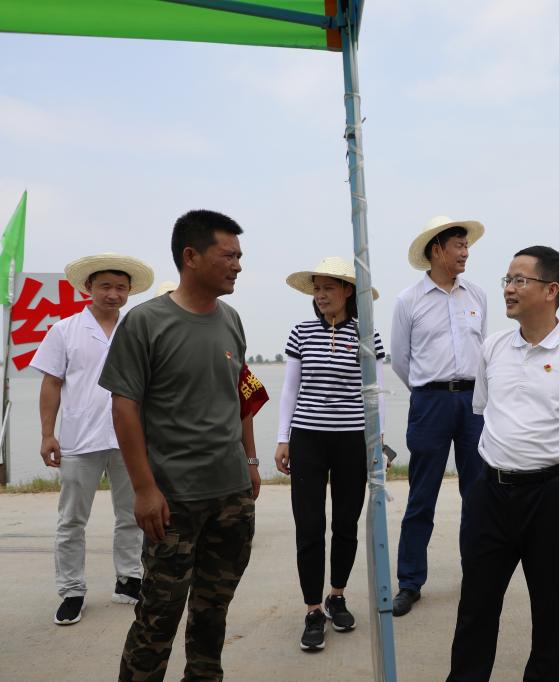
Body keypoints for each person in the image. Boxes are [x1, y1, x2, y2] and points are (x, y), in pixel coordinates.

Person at [100, 210, 262, 681]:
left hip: (231, 495)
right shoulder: (146, 322)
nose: (237, 265)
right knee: (157, 618)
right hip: (173, 500)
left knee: (213, 615)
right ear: (191, 256)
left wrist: (250, 461)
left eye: (240, 256)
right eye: (228, 255)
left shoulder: (231, 320)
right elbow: (124, 409)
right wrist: (144, 489)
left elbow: (240, 395)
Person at [447, 245, 559, 682]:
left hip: (554, 497)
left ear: (551, 290)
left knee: (553, 612)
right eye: (507, 279)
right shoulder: (493, 347)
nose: (509, 288)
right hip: (490, 494)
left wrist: (551, 465)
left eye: (519, 280)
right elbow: (484, 410)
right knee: (476, 605)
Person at [31, 253, 154, 625]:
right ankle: (72, 591)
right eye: (105, 286)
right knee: (71, 519)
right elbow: (52, 383)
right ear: (88, 288)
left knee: (132, 513)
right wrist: (47, 434)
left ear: (129, 291)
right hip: (79, 438)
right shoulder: (64, 330)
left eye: (120, 288)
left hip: (129, 438)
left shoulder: (137, 329)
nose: (113, 294)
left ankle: (128, 579)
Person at [275, 257, 385, 651]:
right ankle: (312, 610)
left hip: (352, 440)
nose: (321, 296)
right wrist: (283, 438)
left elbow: (374, 393)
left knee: (345, 523)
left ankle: (337, 595)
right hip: (308, 438)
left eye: (328, 288)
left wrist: (377, 442)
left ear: (347, 291)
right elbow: (290, 389)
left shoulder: (367, 335)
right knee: (309, 525)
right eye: (317, 289)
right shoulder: (301, 332)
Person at [390, 215, 487, 617]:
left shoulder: (477, 296)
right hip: (429, 403)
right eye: (458, 246)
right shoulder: (408, 300)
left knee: (478, 494)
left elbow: (483, 352)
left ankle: (478, 574)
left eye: (466, 246)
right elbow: (400, 359)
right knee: (422, 495)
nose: (465, 253)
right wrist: (427, 390)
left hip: (473, 403)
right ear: (437, 250)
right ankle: (410, 582)